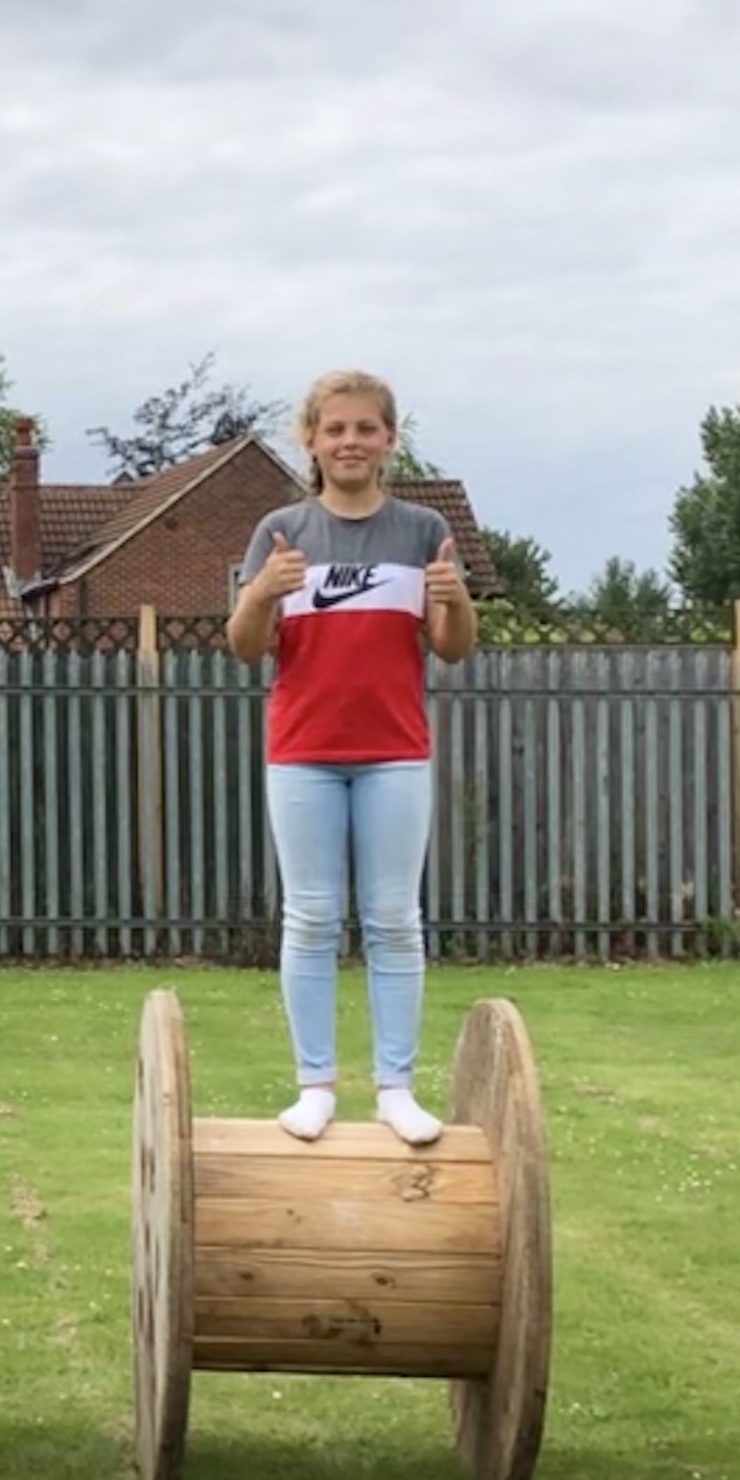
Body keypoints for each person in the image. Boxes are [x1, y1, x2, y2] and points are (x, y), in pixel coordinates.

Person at [226, 369, 478, 1145]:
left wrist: (456, 598)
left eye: (366, 428)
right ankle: (316, 1087)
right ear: (310, 440)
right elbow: (246, 648)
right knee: (311, 918)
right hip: (303, 752)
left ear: (389, 439)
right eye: (335, 429)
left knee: (394, 919)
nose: (350, 442)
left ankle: (396, 1089)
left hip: (395, 753)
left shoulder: (423, 530)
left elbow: (452, 648)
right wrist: (261, 592)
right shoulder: (280, 530)